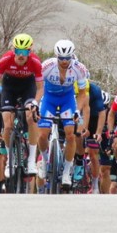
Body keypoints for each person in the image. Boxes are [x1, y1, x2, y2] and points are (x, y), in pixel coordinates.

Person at [34, 39, 90, 189]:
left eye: (67, 58)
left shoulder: (79, 68)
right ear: (56, 56)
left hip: (67, 100)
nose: (64, 61)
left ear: (72, 56)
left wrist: (77, 110)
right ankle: (45, 162)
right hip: (49, 99)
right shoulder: (46, 66)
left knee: (70, 134)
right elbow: (38, 86)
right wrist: (35, 103)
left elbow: (83, 94)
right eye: (61, 58)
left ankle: (66, 172)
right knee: (42, 134)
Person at [0, 33, 45, 175]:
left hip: (28, 86)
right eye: (18, 51)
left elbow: (40, 88)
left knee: (31, 118)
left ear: (30, 51)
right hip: (9, 86)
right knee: (7, 125)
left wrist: (35, 103)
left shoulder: (35, 62)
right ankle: (9, 161)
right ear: (13, 50)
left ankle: (31, 160)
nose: (21, 55)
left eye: (25, 52)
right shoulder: (5, 60)